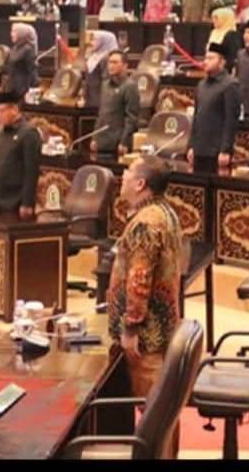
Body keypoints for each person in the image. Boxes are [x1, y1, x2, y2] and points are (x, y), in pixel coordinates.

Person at [107, 154, 183, 459]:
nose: (122, 176)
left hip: (147, 337)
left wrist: (131, 326)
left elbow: (140, 280)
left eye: (128, 171)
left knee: (155, 417)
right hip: (163, 329)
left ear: (140, 184)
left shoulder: (145, 223)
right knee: (164, 414)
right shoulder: (165, 212)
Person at [187, 43, 241, 173]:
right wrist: (191, 146)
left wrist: (225, 150)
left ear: (222, 62)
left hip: (217, 152)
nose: (206, 62)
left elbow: (231, 121)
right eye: (205, 58)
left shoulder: (230, 85)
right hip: (199, 149)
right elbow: (196, 118)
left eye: (211, 58)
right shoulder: (201, 85)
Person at [0, 92, 40, 218]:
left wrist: (27, 203)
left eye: (2, 111)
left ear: (14, 109)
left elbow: (31, 171)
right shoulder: (1, 133)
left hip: (15, 200)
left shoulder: (29, 134)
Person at [90, 51, 139, 157]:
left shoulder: (130, 86)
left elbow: (131, 118)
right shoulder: (104, 85)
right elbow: (101, 114)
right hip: (102, 142)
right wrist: (95, 138)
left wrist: (124, 142)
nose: (111, 65)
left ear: (125, 65)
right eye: (109, 62)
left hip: (118, 144)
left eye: (115, 62)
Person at [83, 30, 119, 109]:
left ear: (104, 41)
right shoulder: (94, 56)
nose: (91, 43)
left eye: (95, 40)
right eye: (92, 40)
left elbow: (107, 81)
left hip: (102, 102)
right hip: (91, 99)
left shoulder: (108, 58)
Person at [2, 23, 38, 98]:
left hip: (22, 90)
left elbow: (32, 70)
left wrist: (33, 88)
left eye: (14, 32)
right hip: (11, 87)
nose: (11, 34)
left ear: (21, 34)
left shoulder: (28, 49)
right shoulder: (15, 48)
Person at [207, 7, 243, 73]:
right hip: (211, 68)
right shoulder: (214, 32)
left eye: (216, 18)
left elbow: (232, 56)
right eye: (213, 18)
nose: (213, 20)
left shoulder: (232, 35)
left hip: (224, 71)